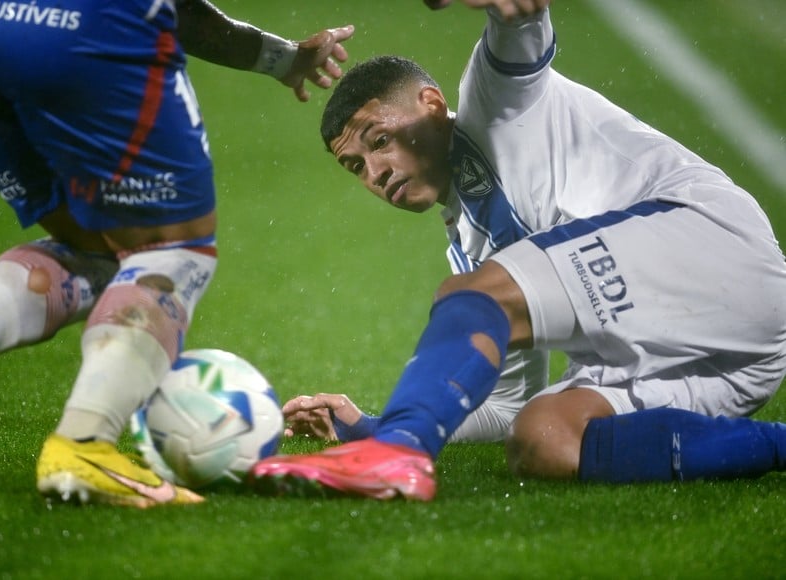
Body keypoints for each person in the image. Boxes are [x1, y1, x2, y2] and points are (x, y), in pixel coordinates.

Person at [251, 0, 786, 501]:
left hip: (715, 249)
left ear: (432, 105)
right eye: (356, 166)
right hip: (741, 363)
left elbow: (522, 17)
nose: (375, 172)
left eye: (380, 140)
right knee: (544, 438)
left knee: (478, 292)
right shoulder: (471, 253)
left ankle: (395, 455)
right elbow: (506, 406)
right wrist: (368, 422)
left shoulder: (499, 102)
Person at [0, 0, 353, 507]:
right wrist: (283, 59)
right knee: (173, 249)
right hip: (83, 27)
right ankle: (85, 445)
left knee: (100, 246)